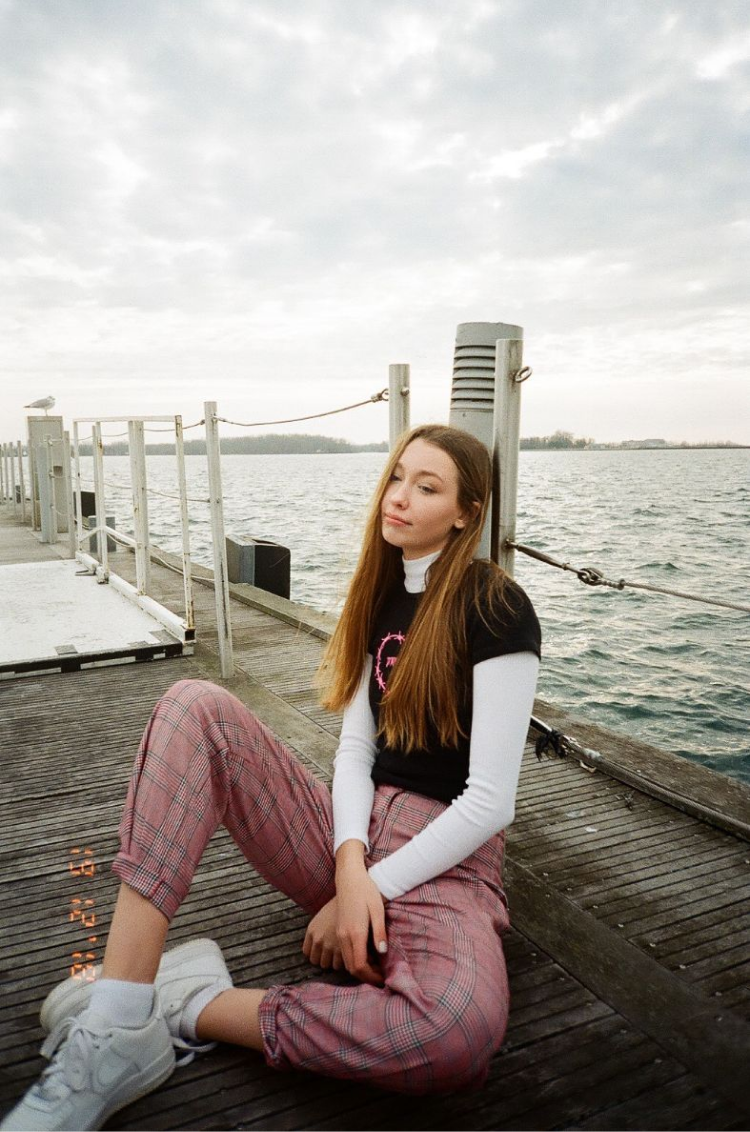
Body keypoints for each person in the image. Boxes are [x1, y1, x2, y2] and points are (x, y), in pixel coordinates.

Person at [2, 423, 541, 1132]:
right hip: (351, 832)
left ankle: (186, 1002)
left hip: (449, 859)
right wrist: (350, 869)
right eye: (398, 476)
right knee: (195, 705)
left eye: (428, 486)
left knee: (453, 1035)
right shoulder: (381, 594)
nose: (399, 497)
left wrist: (369, 889)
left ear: (467, 512)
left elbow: (490, 801)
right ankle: (114, 1024)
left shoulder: (496, 606)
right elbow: (355, 753)